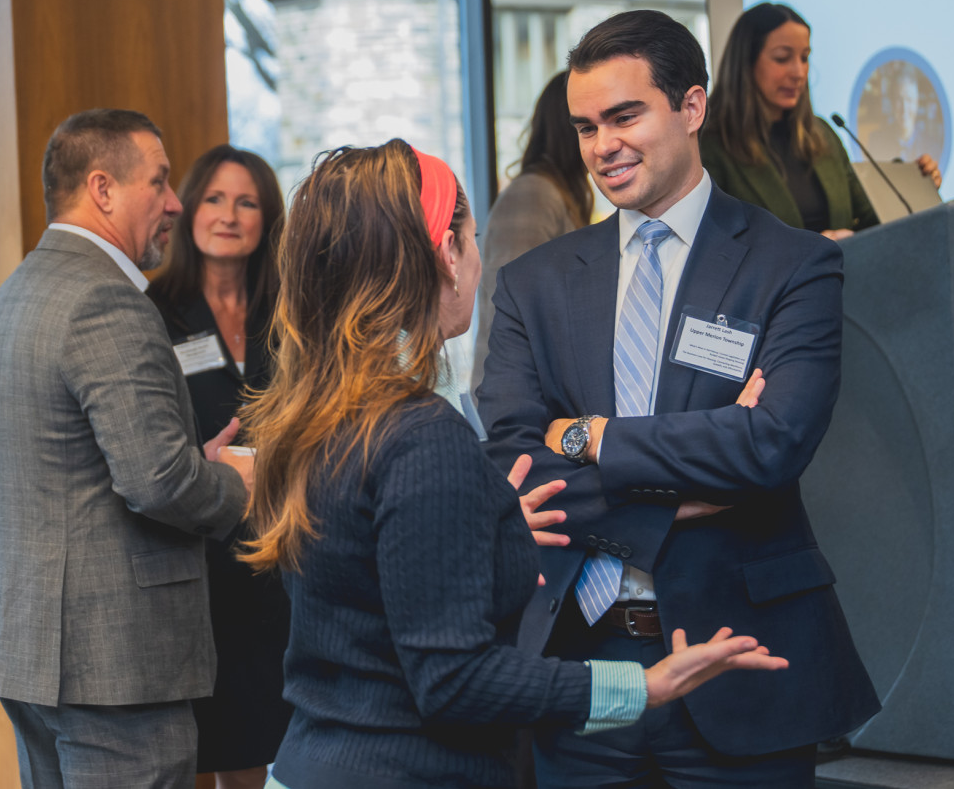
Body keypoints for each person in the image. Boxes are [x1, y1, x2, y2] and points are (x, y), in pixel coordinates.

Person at [242, 138, 789, 789]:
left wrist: (489, 533)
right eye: (472, 238)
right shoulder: (421, 438)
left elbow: (373, 591)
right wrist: (642, 686)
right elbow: (454, 680)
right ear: (447, 255)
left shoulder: (317, 420)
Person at [479, 10, 880, 787]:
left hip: (741, 651)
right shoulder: (536, 284)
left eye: (626, 115)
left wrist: (586, 436)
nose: (603, 145)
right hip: (582, 662)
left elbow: (771, 445)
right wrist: (685, 490)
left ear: (691, 107)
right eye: (587, 125)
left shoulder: (791, 267)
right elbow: (515, 457)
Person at [0, 109, 257, 789]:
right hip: (114, 662)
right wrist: (240, 481)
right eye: (158, 183)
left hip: (33, 650)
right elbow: (158, 483)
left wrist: (196, 462)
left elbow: (79, 469)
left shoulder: (13, 297)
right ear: (102, 189)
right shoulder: (108, 301)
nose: (174, 203)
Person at [146, 145, 292, 789]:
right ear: (188, 209)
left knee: (257, 734)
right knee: (198, 741)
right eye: (214, 198)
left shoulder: (288, 313)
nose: (228, 215)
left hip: (274, 554)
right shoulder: (154, 311)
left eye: (247, 201)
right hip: (191, 554)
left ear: (267, 219)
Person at [700, 3, 940, 240]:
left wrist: (914, 187)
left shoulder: (822, 134)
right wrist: (812, 250)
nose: (799, 72)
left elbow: (871, 220)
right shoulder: (711, 146)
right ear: (746, 63)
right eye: (783, 58)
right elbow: (717, 247)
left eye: (804, 58)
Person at [471, 70, 595, 390]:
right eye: (589, 126)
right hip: (515, 394)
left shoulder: (557, 191)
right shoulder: (533, 195)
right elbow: (517, 311)